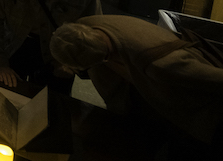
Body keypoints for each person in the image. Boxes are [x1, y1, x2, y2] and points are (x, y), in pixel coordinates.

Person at [50, 15, 223, 145]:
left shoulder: (159, 64)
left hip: (202, 113)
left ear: (98, 61)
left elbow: (214, 79)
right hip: (158, 102)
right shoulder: (88, 27)